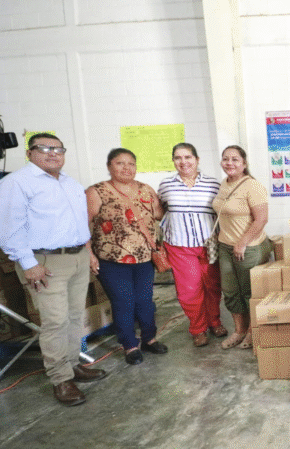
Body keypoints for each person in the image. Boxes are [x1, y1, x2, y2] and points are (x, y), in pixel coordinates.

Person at [0, 133, 106, 406]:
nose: (53, 153)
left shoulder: (70, 184)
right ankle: (61, 379)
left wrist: (88, 253)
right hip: (45, 262)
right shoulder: (16, 183)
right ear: (29, 153)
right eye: (44, 148)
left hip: (77, 257)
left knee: (72, 317)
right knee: (55, 322)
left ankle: (73, 365)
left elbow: (80, 223)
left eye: (58, 149)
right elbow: (10, 228)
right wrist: (28, 264)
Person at [86, 148, 168, 365]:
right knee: (124, 302)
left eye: (131, 163)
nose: (126, 168)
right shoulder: (97, 191)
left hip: (144, 258)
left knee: (145, 302)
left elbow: (159, 214)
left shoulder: (145, 189)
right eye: (120, 163)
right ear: (109, 166)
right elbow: (83, 224)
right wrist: (89, 254)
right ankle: (130, 345)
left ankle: (150, 338)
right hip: (112, 260)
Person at [158, 143, 225, 347]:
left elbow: (220, 213)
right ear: (173, 161)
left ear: (197, 159)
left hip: (209, 245)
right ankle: (198, 329)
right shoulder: (166, 185)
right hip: (180, 246)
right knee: (190, 290)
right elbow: (161, 211)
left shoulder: (214, 184)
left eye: (188, 157)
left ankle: (214, 321)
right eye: (178, 158)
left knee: (213, 286)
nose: (183, 162)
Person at [212, 145, 271, 350]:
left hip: (249, 247)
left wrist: (242, 242)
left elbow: (261, 219)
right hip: (225, 246)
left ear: (244, 164)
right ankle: (239, 330)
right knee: (230, 292)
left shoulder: (252, 186)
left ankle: (252, 332)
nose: (230, 163)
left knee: (249, 292)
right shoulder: (224, 184)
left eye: (235, 159)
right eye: (226, 159)